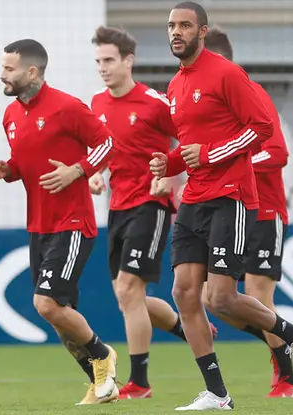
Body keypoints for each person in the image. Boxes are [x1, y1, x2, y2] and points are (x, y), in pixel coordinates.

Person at [149, 2, 293, 410]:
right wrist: (167, 162)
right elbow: (189, 144)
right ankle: (217, 393)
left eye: (185, 25)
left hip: (231, 196)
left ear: (202, 31)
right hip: (193, 198)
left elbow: (261, 130)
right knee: (184, 293)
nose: (176, 32)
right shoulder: (175, 84)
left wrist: (205, 156)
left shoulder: (226, 73)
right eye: (171, 26)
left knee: (221, 299)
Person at [89, 25, 218, 400]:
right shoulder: (97, 104)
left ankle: (140, 382)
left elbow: (189, 139)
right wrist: (97, 175)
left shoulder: (154, 102)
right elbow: (104, 151)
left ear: (128, 60)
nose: (103, 67)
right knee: (128, 297)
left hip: (151, 204)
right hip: (118, 206)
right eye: (98, 61)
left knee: (130, 290)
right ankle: (187, 327)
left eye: (109, 60)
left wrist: (172, 180)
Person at [0, 38, 119, 405]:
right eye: (2, 67)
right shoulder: (10, 115)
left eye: (8, 68)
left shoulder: (67, 107)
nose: (2, 74)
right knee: (61, 318)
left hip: (72, 223)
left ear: (31, 72)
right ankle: (101, 385)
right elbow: (26, 161)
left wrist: (78, 170)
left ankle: (103, 355)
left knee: (46, 304)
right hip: (40, 227)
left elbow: (108, 144)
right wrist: (9, 170)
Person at [202, 27, 293, 398]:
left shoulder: (252, 93)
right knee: (218, 300)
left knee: (258, 295)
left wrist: (226, 161)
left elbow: (277, 153)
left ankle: (287, 376)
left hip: (264, 211)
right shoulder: (207, 104)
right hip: (228, 211)